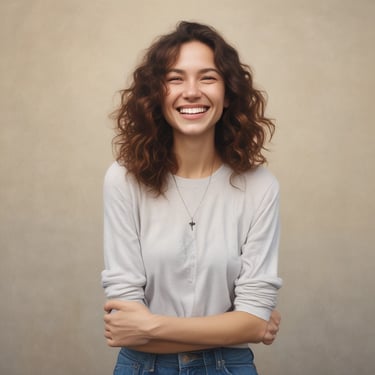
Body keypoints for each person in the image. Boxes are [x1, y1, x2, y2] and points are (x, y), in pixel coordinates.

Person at [102, 21, 282, 375]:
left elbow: (254, 316)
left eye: (208, 78)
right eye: (175, 78)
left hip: (229, 367)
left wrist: (150, 327)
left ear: (228, 94)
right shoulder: (123, 180)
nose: (192, 91)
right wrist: (242, 326)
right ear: (157, 93)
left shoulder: (260, 187)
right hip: (142, 367)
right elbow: (124, 325)